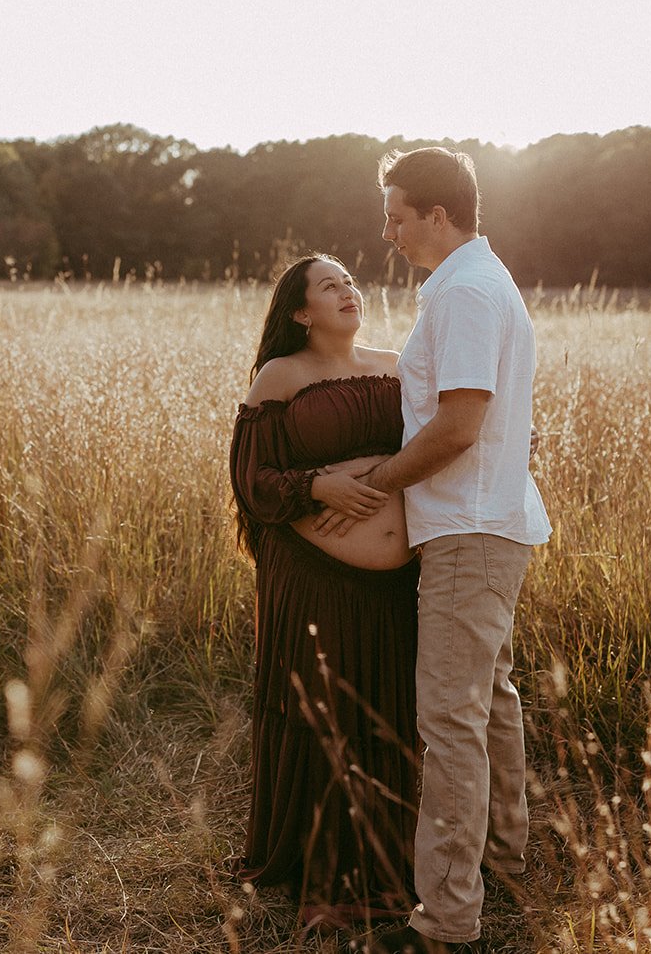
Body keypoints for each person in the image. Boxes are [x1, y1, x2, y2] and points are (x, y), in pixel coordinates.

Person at [346, 147, 554, 953]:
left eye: (397, 213)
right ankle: (501, 861)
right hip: (491, 523)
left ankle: (446, 921)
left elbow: (461, 425)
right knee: (489, 701)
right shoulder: (479, 283)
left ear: (440, 213)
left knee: (450, 720)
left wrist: (383, 480)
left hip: (469, 533)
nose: (387, 229)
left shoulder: (465, 291)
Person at [229, 253, 422, 931]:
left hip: (397, 584)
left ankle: (391, 865)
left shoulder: (398, 363)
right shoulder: (282, 376)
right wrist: (317, 486)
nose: (348, 290)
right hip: (310, 578)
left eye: (350, 281)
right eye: (329, 285)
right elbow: (252, 480)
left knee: (385, 716)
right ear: (300, 312)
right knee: (328, 714)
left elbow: (437, 445)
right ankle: (326, 872)